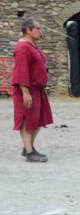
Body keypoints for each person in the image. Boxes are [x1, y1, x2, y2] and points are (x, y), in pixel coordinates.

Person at [11, 17, 53, 163]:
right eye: (38, 28)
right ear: (28, 30)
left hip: (37, 90)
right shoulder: (22, 47)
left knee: (38, 120)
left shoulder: (33, 46)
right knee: (27, 120)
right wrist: (25, 92)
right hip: (27, 90)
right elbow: (21, 71)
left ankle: (28, 147)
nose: (40, 31)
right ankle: (29, 151)